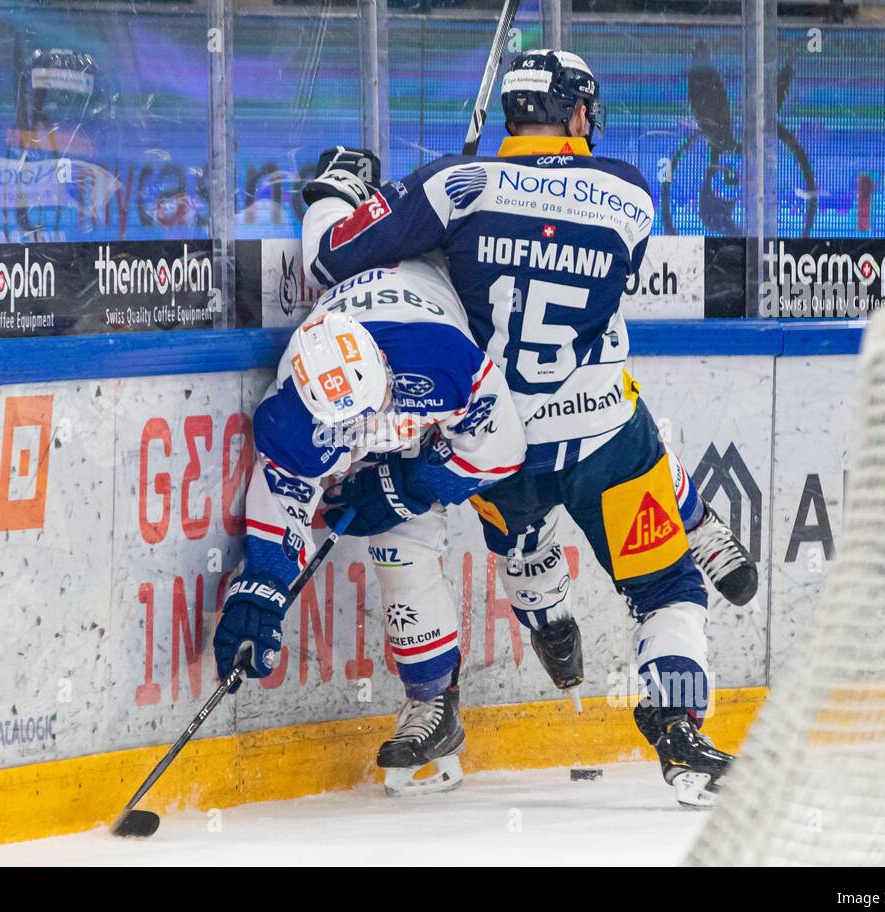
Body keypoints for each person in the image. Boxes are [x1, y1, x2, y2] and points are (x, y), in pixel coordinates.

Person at [296, 50, 746, 806]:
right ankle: (679, 737)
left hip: (497, 442)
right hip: (603, 434)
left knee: (521, 545)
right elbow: (572, 245)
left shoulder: (454, 183)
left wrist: (355, 197)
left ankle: (545, 619)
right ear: (577, 115)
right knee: (666, 587)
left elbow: (329, 258)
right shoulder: (629, 193)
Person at [213, 254, 527, 795]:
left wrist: (410, 488)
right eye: (351, 422)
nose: (373, 425)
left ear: (381, 361)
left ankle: (456, 683)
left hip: (431, 311)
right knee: (397, 545)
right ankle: (434, 704)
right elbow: (284, 497)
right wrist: (258, 592)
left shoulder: (442, 357)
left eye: (375, 403)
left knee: (506, 510)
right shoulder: (292, 414)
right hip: (364, 337)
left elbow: (502, 448)